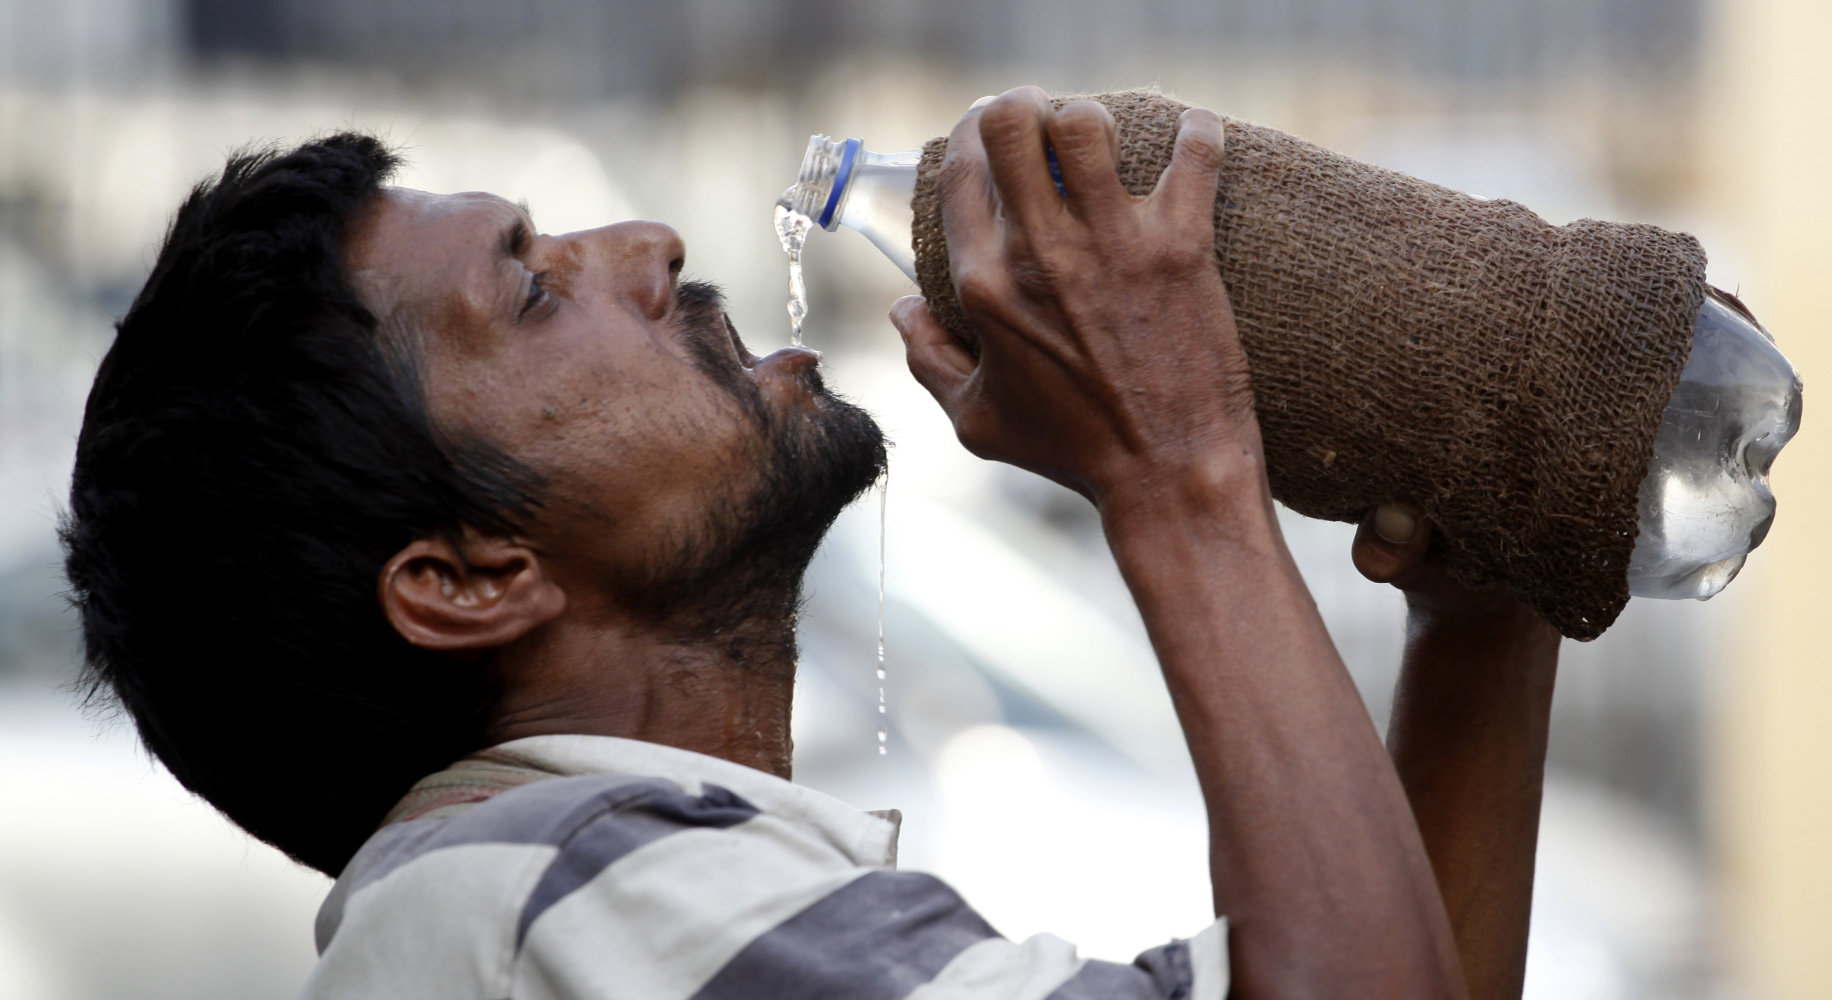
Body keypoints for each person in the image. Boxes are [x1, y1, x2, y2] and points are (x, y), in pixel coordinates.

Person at [61, 86, 1560, 1000]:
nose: (647, 250)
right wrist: (1176, 466)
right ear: (468, 579)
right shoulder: (556, 893)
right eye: (531, 290)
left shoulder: (570, 897)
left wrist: (1481, 612)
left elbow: (1388, 975)